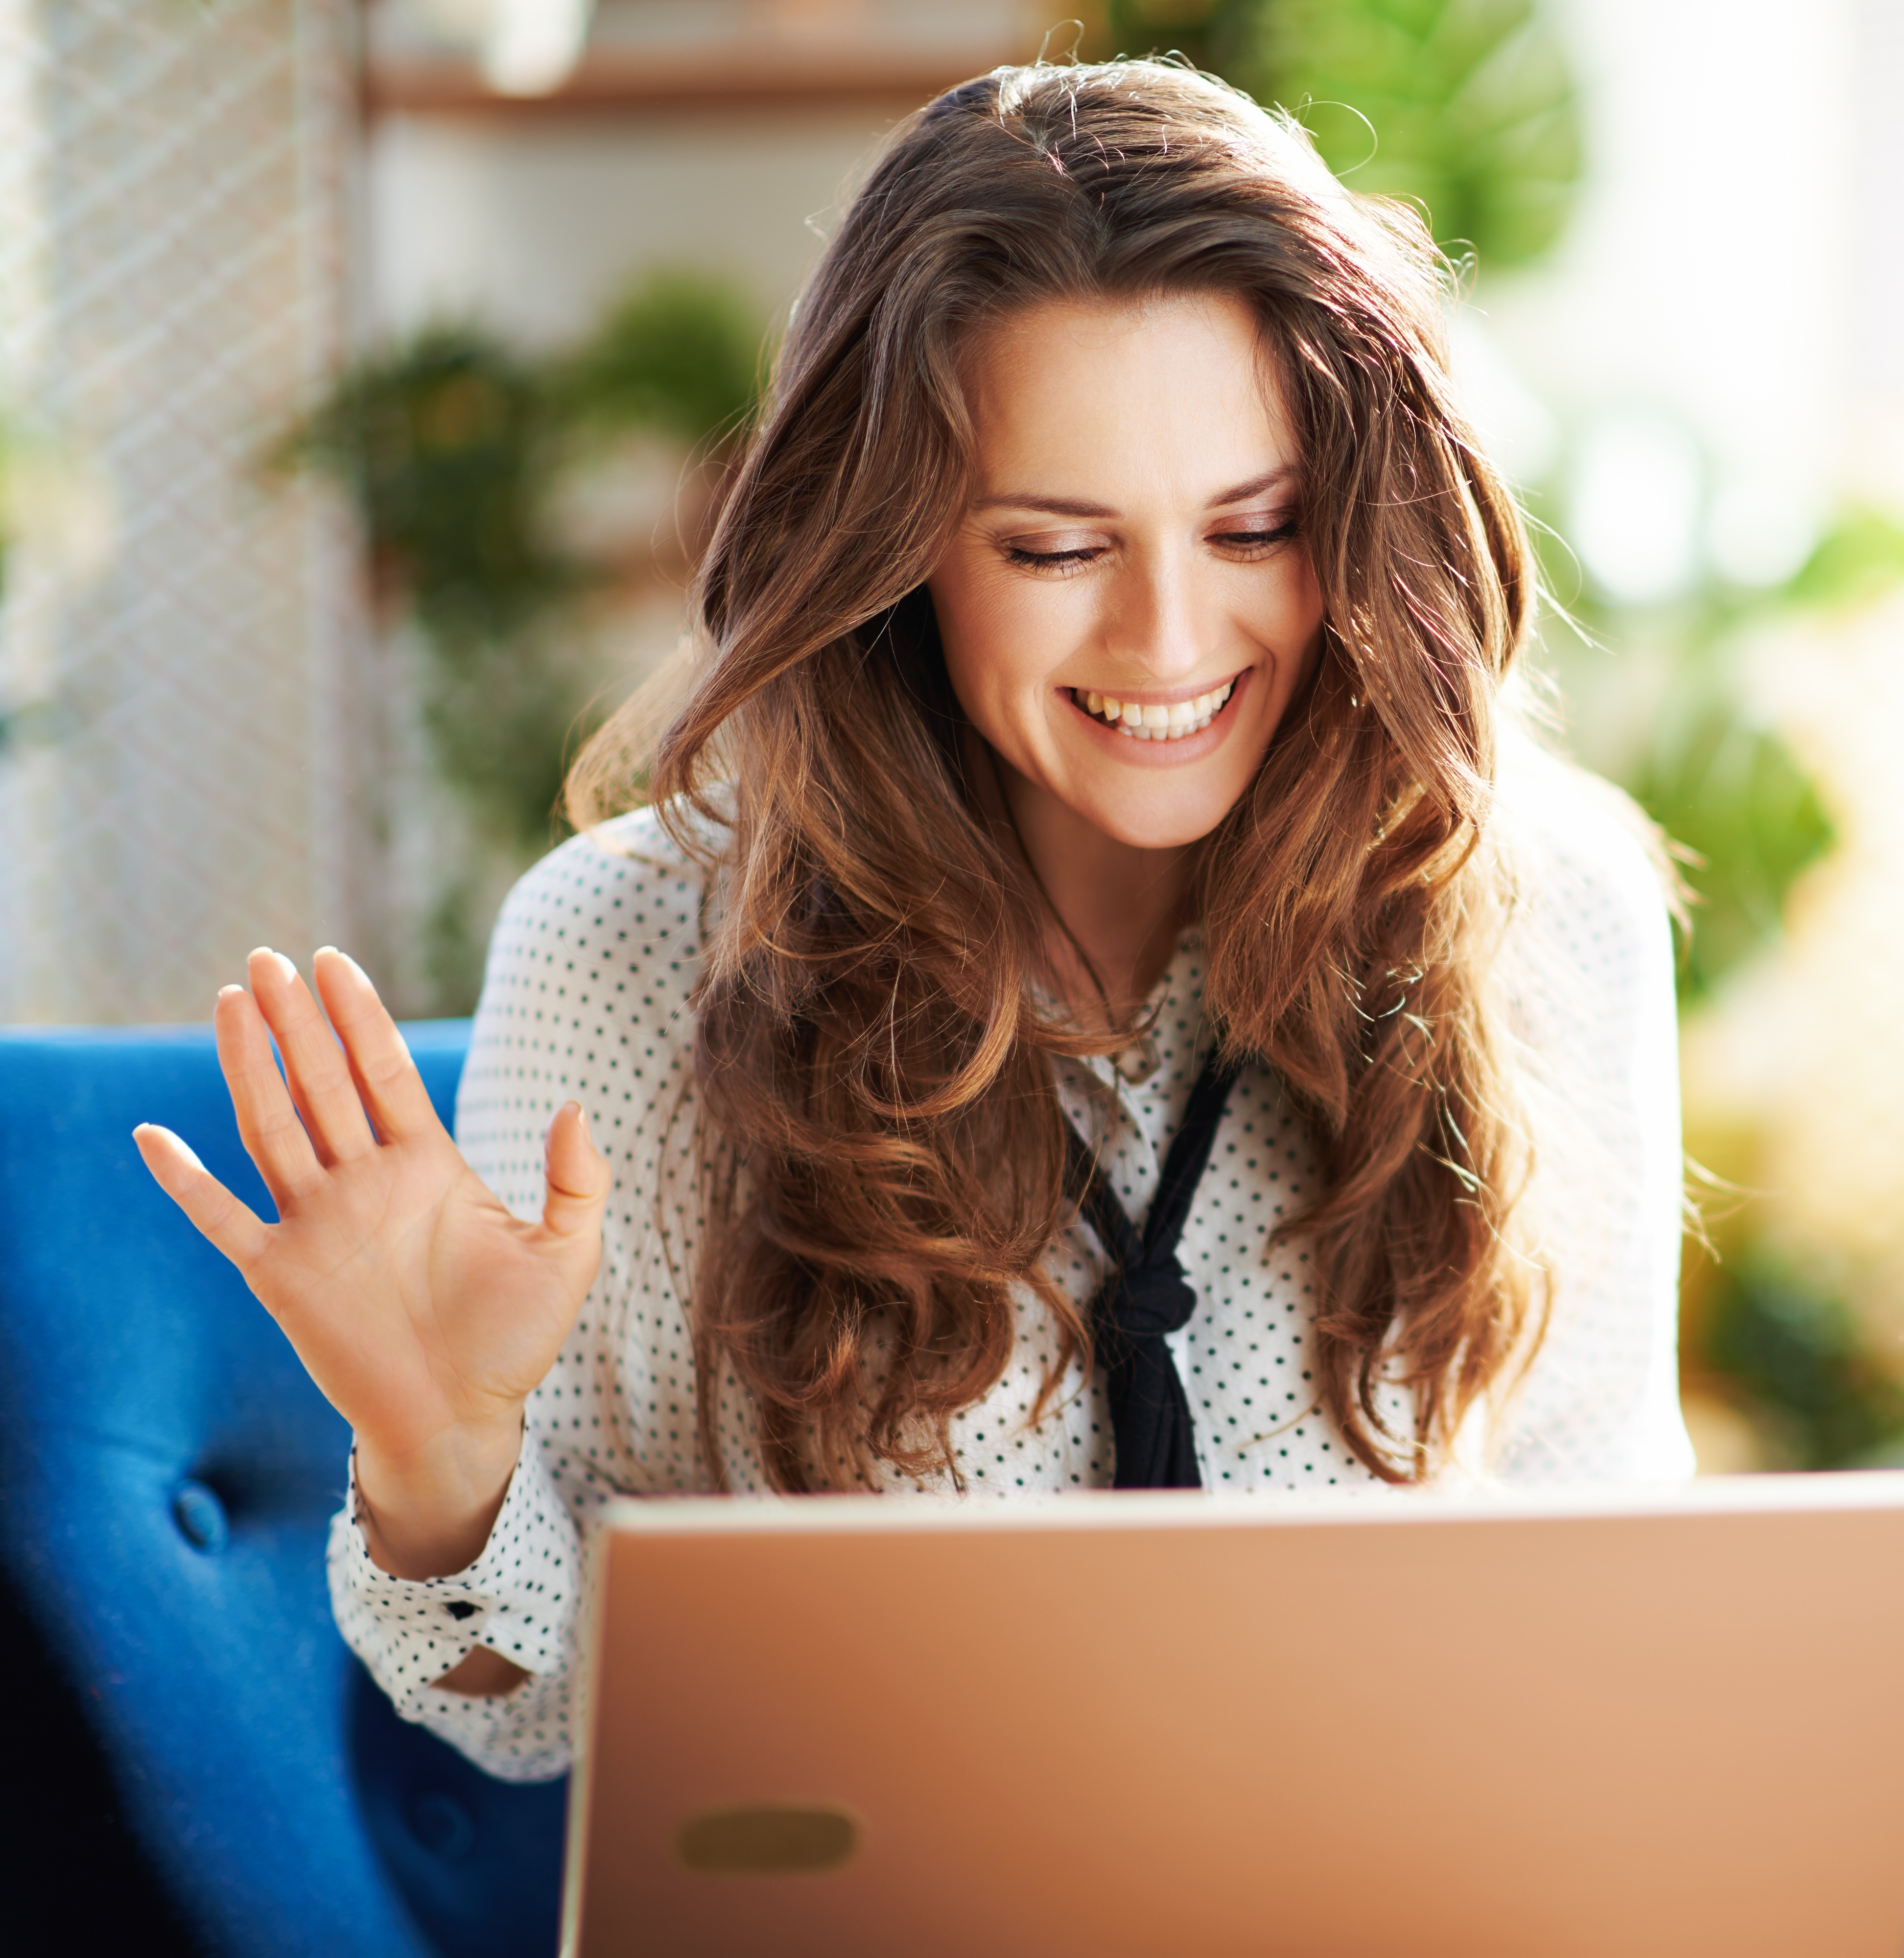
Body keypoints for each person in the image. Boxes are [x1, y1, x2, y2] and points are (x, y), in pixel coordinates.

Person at [131, 57, 1688, 1784]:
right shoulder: (627, 950)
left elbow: (1599, 1582)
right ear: (901, 551)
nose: (1173, 639)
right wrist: (441, 1457)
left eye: (1259, 528)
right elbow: (539, 1721)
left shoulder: (1549, 917)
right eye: (1052, 549)